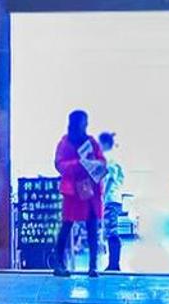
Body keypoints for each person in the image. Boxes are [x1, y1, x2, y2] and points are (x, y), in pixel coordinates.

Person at [53, 109, 107, 276]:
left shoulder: (91, 142)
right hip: (72, 191)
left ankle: (93, 266)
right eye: (83, 122)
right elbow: (59, 164)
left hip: (90, 190)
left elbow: (102, 161)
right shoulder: (65, 143)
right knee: (67, 225)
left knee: (92, 227)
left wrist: (95, 164)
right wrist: (78, 164)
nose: (85, 125)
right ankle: (58, 264)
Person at [96, 130, 125, 271]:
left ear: (105, 143)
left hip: (110, 199)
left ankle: (114, 264)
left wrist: (103, 195)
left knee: (112, 231)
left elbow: (111, 179)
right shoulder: (115, 157)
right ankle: (113, 263)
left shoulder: (109, 158)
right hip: (116, 198)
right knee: (111, 230)